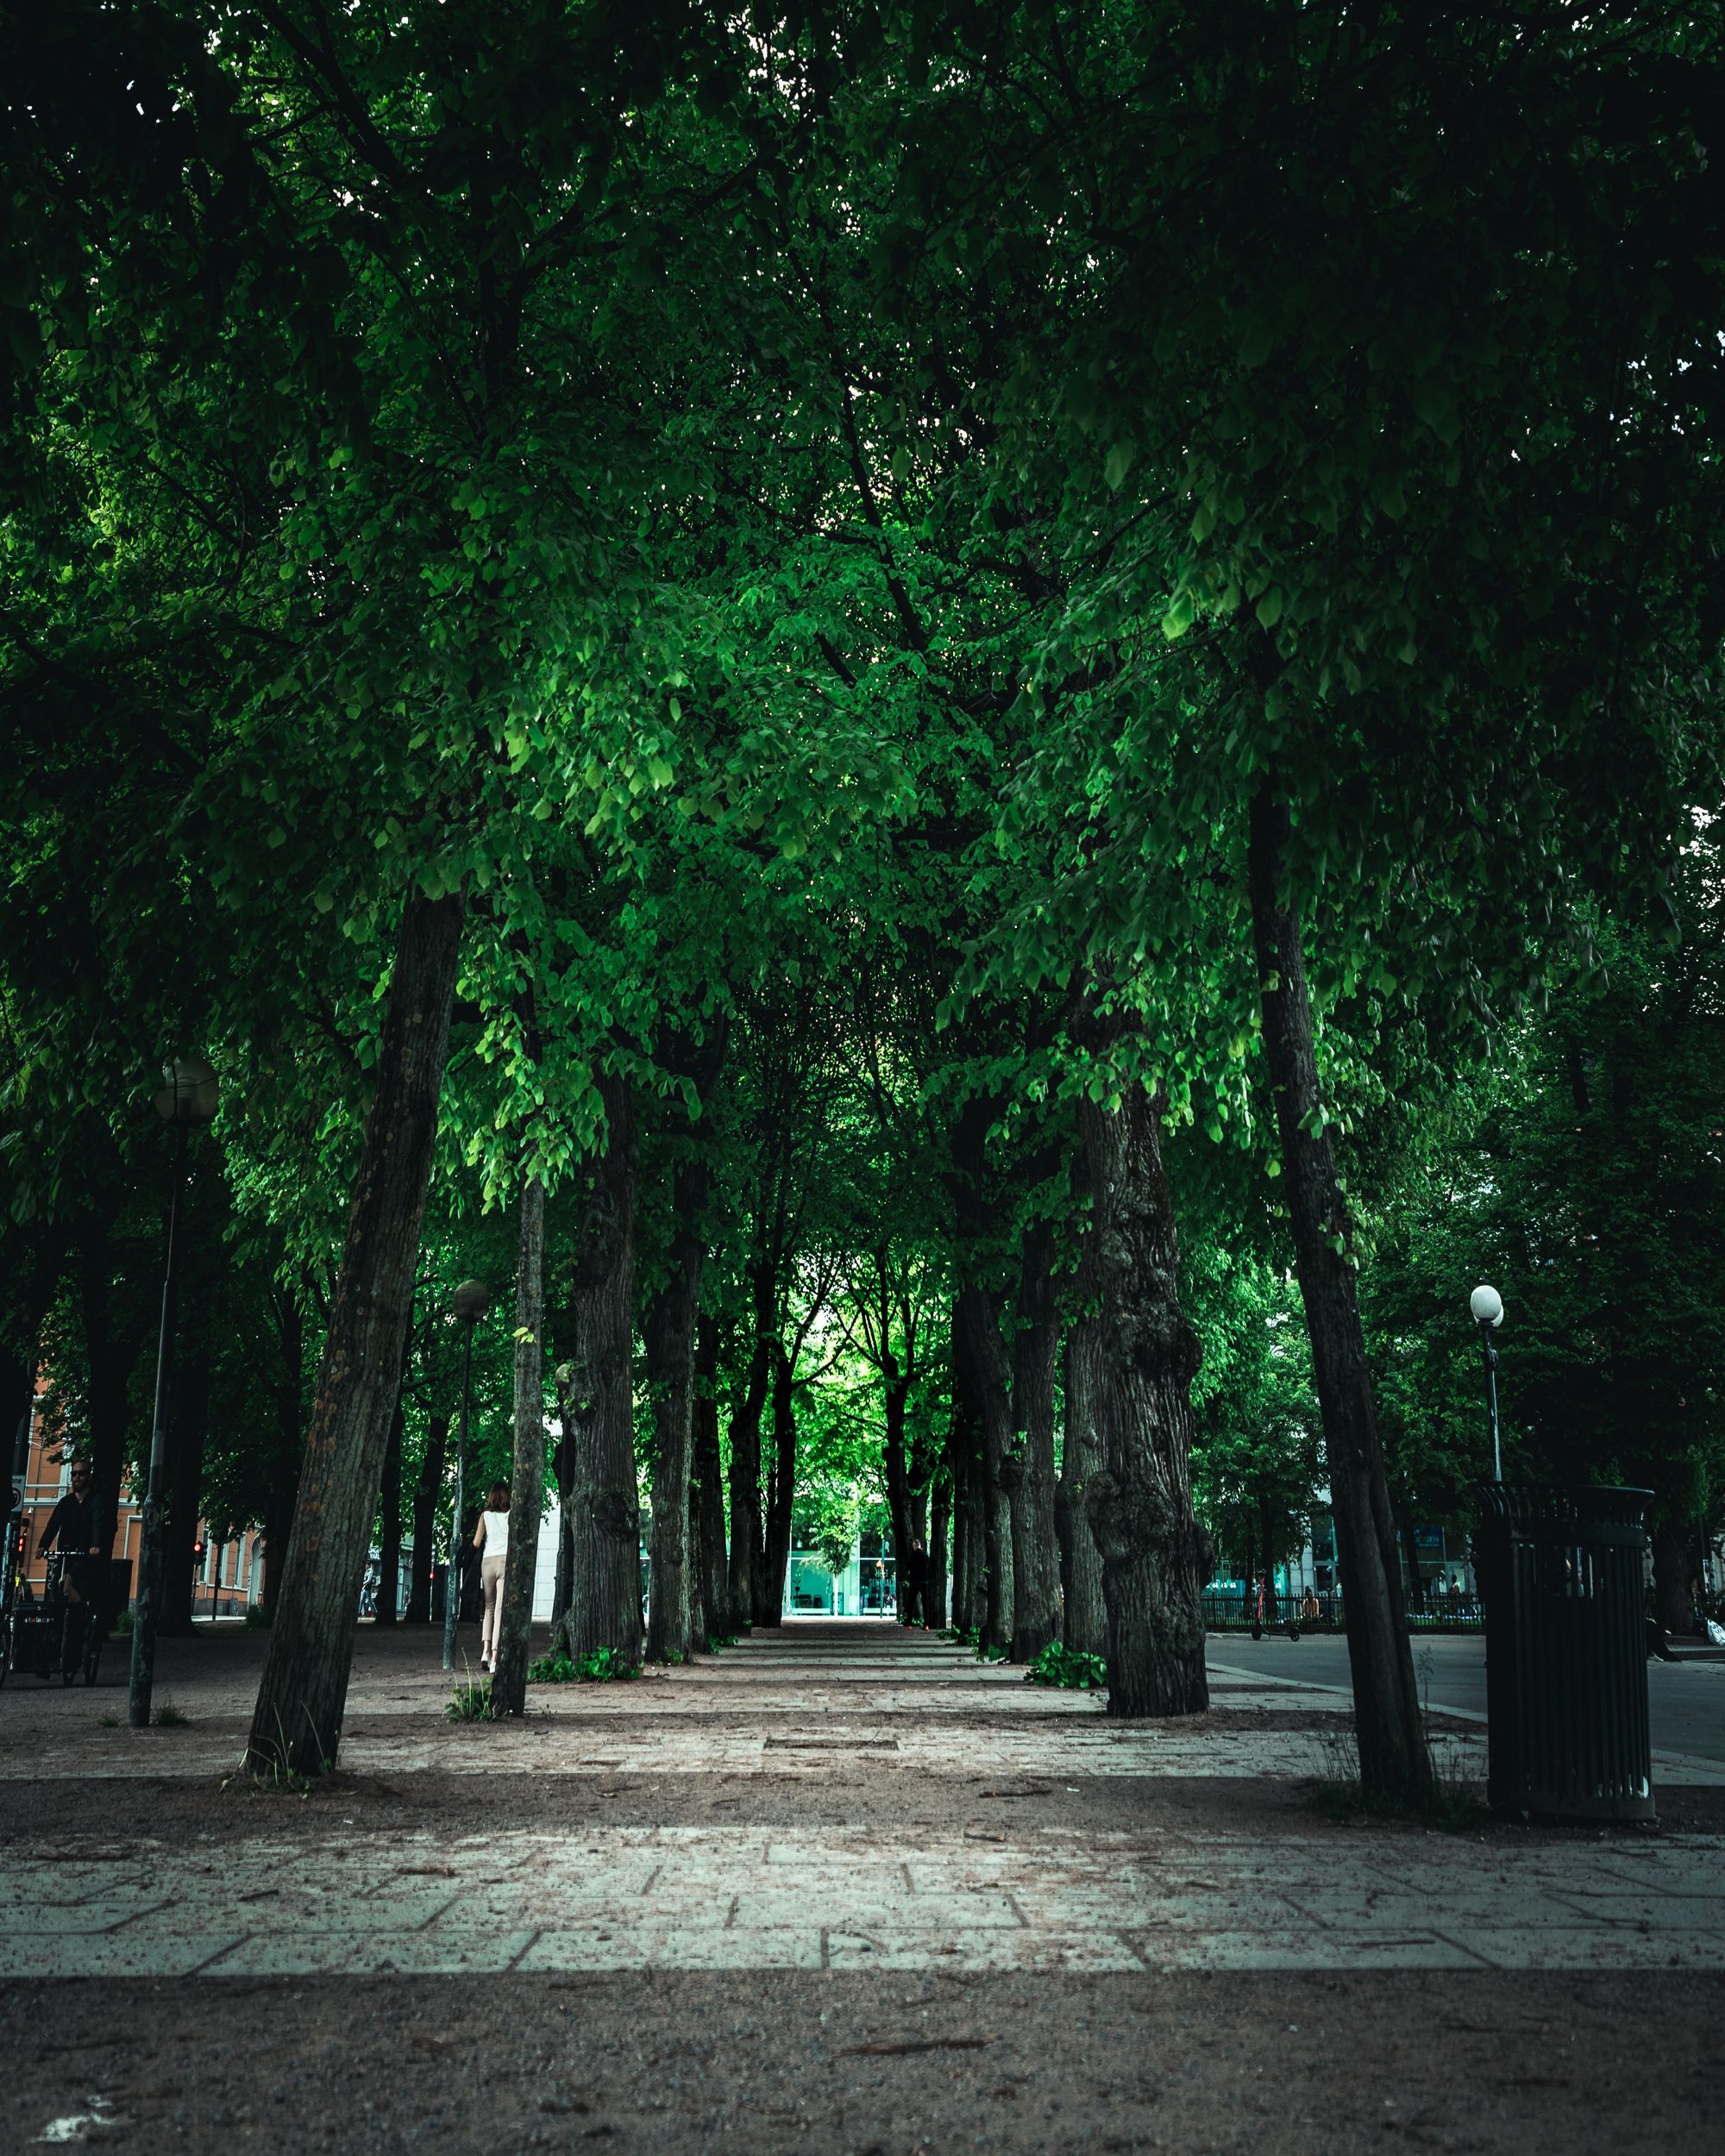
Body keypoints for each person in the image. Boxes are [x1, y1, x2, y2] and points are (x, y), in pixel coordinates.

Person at [37, 1459, 109, 1676]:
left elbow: (98, 1524)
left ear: (89, 1477)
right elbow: (53, 1524)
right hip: (66, 1555)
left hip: (85, 1557)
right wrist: (42, 1545)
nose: (77, 1478)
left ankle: (79, 1611)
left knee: (67, 1581)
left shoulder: (96, 1502)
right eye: (74, 1474)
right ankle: (49, 1654)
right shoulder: (66, 1503)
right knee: (54, 1598)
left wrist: (96, 1545)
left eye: (81, 1474)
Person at [474, 1481, 510, 1672]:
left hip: (487, 1562)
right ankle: (495, 1656)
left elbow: (476, 1542)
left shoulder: (485, 1516)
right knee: (499, 1610)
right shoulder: (511, 1516)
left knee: (488, 1608)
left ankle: (485, 1651)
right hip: (504, 1560)